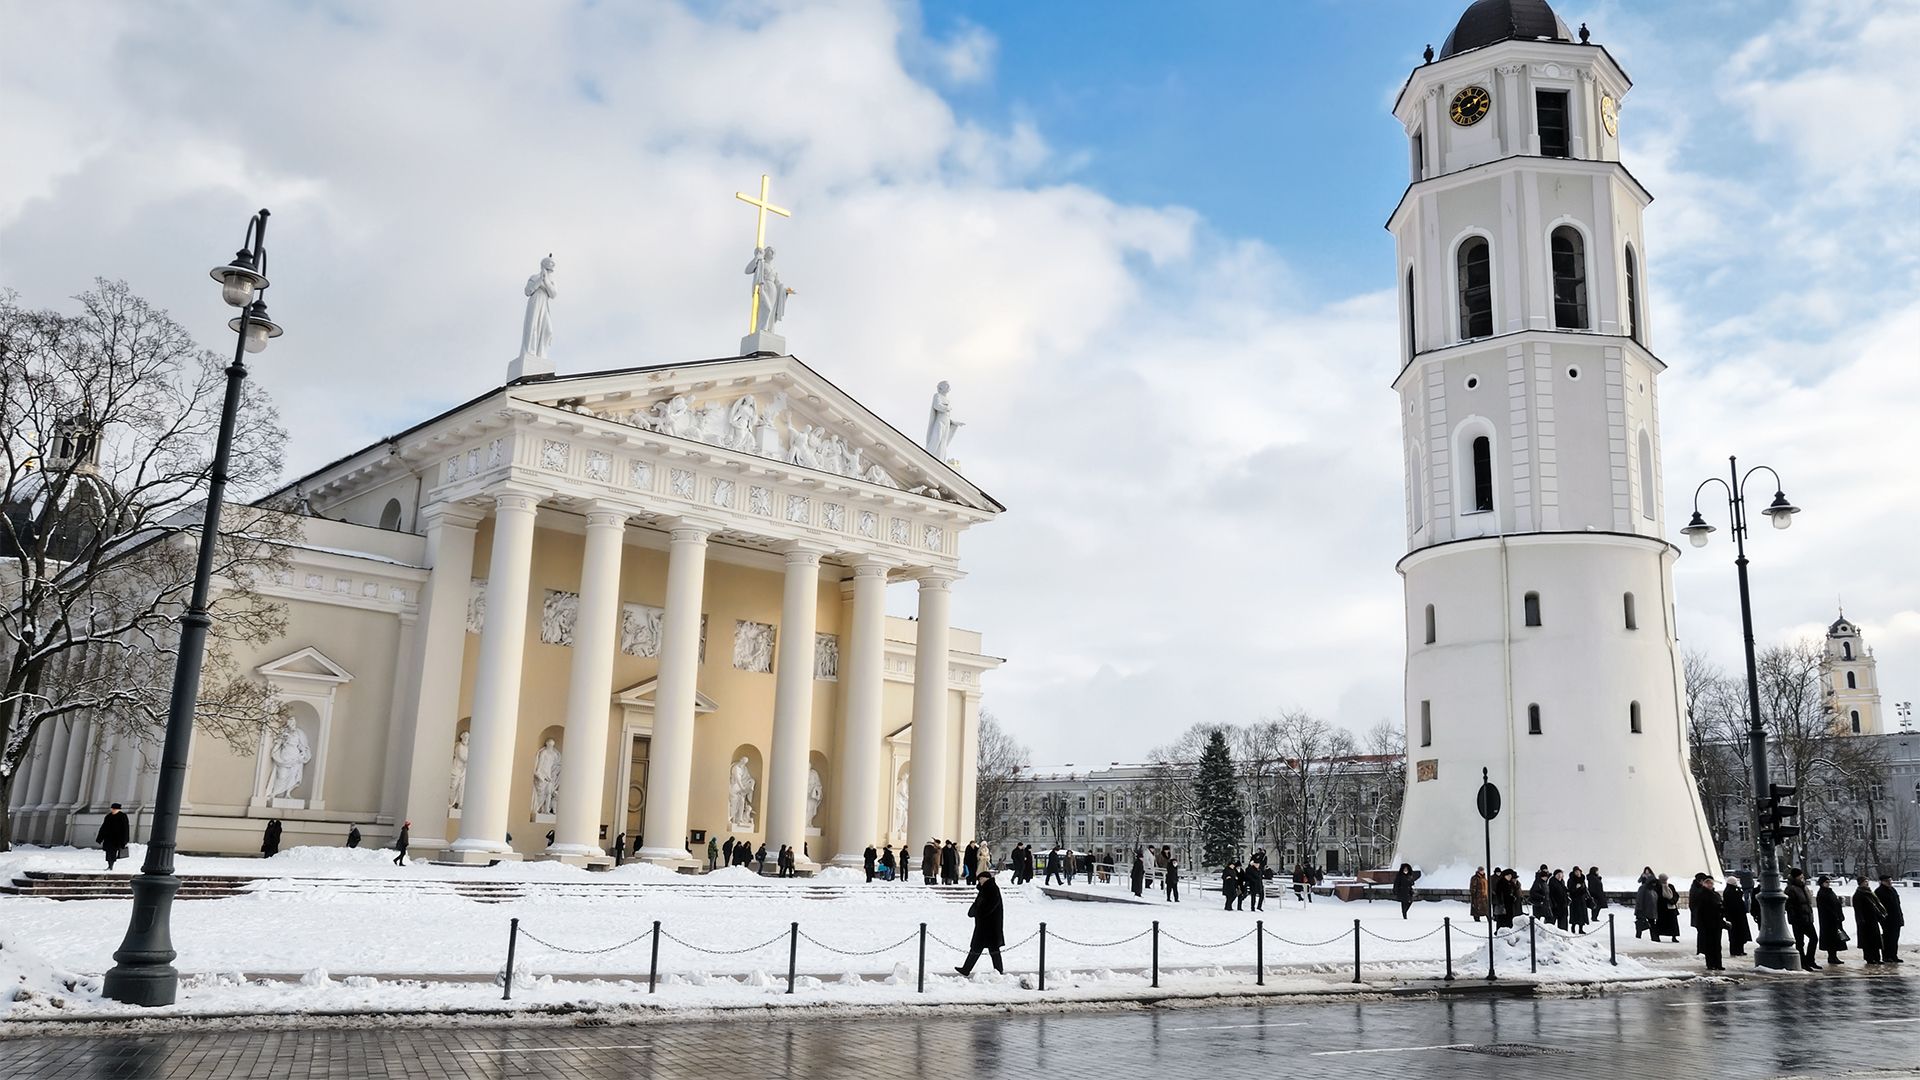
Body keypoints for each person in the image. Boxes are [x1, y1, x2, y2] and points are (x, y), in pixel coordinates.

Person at [956, 870, 1006, 976]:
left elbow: (990, 906)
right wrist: (972, 911)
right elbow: (978, 903)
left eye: (981, 878)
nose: (979, 881)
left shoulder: (992, 889)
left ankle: (998, 970)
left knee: (992, 948)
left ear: (986, 879)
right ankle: (966, 969)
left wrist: (979, 913)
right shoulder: (984, 889)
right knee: (977, 947)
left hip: (990, 925)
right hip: (984, 925)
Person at [1787, 868, 1819, 968]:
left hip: (1807, 918)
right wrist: (1794, 917)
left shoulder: (1803, 887)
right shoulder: (1791, 889)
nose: (1802, 878)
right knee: (1800, 942)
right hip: (1798, 919)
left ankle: (1810, 959)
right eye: (1800, 877)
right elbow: (1789, 906)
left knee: (1814, 938)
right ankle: (1803, 962)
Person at [1853, 876, 1887, 964]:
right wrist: (1861, 920)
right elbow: (1858, 909)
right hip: (1865, 920)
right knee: (1867, 940)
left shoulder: (1870, 892)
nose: (1867, 883)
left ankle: (1877, 957)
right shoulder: (1859, 894)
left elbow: (1876, 904)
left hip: (1873, 919)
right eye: (1865, 882)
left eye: (1867, 881)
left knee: (1875, 939)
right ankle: (1869, 958)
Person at [1695, 874, 1725, 971]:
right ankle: (1711, 964)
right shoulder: (1701, 895)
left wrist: (1721, 908)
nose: (1710, 885)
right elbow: (1699, 910)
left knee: (1717, 944)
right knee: (1709, 945)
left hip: (1717, 923)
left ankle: (1718, 963)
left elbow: (1722, 907)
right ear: (1704, 884)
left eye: (1711, 883)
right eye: (1708, 883)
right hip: (1707, 923)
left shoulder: (1716, 895)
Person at [1816, 875, 1848, 965]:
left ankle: (1834, 956)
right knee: (1831, 938)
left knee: (1835, 938)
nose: (1828, 884)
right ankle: (1831, 956)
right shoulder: (1822, 893)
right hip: (1828, 920)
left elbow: (1835, 904)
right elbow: (1825, 907)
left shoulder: (1830, 892)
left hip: (1835, 919)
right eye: (1826, 882)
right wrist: (1834, 915)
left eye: (1828, 882)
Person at [1876, 873, 1904, 963]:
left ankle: (1893, 955)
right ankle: (1886, 955)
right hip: (1887, 919)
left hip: (1896, 917)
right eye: (1887, 881)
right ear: (1882, 882)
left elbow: (1897, 904)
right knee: (1887, 938)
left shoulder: (1892, 890)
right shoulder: (1880, 892)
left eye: (1890, 880)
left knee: (1895, 937)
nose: (1889, 882)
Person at [96, 803, 131, 871]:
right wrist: (100, 838)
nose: (113, 810)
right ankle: (109, 864)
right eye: (112, 809)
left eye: (115, 809)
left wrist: (125, 840)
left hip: (117, 838)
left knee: (113, 852)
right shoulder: (108, 816)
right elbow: (103, 828)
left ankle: (111, 865)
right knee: (108, 851)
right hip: (108, 838)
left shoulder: (122, 817)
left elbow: (125, 828)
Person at [1723, 875, 1751, 957]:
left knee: (1739, 934)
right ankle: (1736, 950)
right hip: (1734, 916)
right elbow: (1733, 904)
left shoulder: (1732, 890)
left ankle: (1740, 949)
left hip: (1738, 916)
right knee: (1735, 934)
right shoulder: (1730, 891)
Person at [1656, 874, 1681, 942]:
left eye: (1665, 880)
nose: (1665, 881)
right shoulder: (1658, 887)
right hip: (1663, 909)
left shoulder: (1670, 886)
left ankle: (1674, 936)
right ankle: (1658, 935)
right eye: (1663, 880)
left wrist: (1673, 901)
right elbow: (1659, 897)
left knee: (1673, 924)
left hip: (1672, 908)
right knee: (1661, 923)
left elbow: (1675, 895)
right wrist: (1667, 901)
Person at [1635, 868, 1659, 938]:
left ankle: (1654, 937)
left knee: (1652, 924)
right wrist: (1639, 909)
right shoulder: (1643, 888)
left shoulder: (1653, 890)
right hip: (1643, 910)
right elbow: (1639, 899)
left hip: (1651, 911)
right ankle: (1638, 936)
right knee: (1641, 924)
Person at [1568, 868, 1589, 933]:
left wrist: (1585, 892)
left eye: (1578, 872)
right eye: (1576, 872)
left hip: (1582, 900)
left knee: (1582, 914)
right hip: (1575, 900)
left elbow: (1585, 888)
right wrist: (1575, 887)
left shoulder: (1582, 879)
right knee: (1575, 915)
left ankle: (1581, 928)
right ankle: (1573, 927)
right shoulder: (1571, 880)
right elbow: (1569, 890)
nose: (1578, 873)